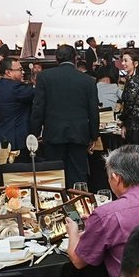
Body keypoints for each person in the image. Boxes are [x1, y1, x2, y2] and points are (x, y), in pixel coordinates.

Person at [67, 146, 139, 277]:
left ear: (116, 178)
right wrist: (95, 224)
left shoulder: (106, 214)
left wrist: (73, 231)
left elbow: (78, 261)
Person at [30, 44, 100, 188]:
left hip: (53, 133)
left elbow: (38, 108)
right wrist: (94, 135)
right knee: (78, 174)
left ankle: (55, 201)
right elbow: (93, 111)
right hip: (79, 133)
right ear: (75, 59)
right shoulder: (88, 80)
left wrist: (34, 133)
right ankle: (79, 200)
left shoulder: (44, 77)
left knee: (54, 175)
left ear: (56, 59)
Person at [0, 57, 35, 155]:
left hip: (0, 138)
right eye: (20, 70)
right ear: (8, 72)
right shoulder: (16, 88)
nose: (23, 72)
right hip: (14, 141)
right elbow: (37, 92)